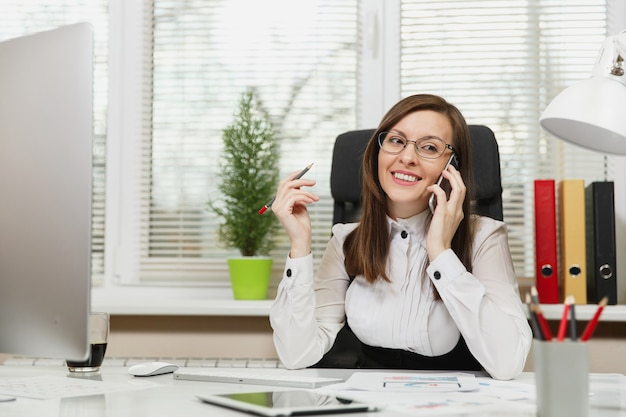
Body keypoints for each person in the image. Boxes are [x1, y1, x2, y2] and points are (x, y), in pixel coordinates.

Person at [269, 94, 532, 380]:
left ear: (452, 167)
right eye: (396, 141)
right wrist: (299, 245)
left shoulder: (483, 237)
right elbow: (297, 354)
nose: (407, 157)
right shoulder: (347, 241)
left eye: (429, 147)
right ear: (377, 153)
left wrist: (441, 252)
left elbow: (508, 363)